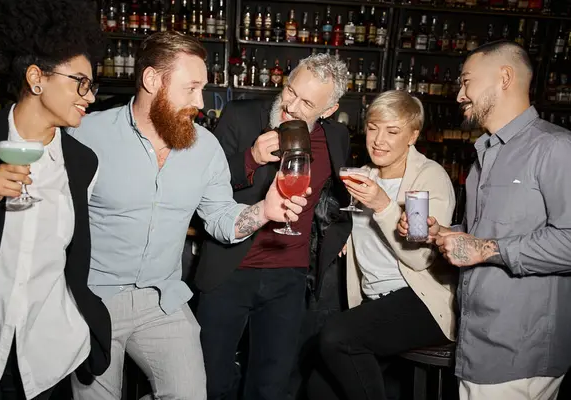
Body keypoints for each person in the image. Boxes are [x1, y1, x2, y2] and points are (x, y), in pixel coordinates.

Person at [67, 31, 308, 400]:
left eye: (203, 88)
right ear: (152, 80)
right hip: (93, 298)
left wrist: (265, 210)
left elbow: (222, 219)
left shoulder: (204, 147)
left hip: (163, 299)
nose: (200, 101)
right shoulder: (86, 135)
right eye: (191, 88)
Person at [398, 40, 571, 400]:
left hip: (520, 349)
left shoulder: (555, 147)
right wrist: (443, 233)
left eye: (466, 81)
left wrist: (486, 248)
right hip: (479, 341)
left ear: (504, 78)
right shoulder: (487, 152)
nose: (460, 94)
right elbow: (484, 236)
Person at [0, 0, 111, 399]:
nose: (90, 96)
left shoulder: (83, 163)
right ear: (37, 78)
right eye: (79, 82)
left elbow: (73, 257)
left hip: (46, 358)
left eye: (91, 85)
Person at [195, 53, 352, 400]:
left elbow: (338, 195)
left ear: (328, 109)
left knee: (271, 385)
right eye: (290, 91)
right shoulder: (240, 116)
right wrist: (250, 157)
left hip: (289, 277)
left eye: (307, 102)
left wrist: (341, 233)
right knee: (211, 381)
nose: (290, 106)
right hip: (230, 269)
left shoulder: (337, 137)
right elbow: (203, 186)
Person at [308, 90, 457, 400]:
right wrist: (341, 235)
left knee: (337, 337)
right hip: (375, 300)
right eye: (374, 127)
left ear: (413, 135)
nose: (378, 139)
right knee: (317, 387)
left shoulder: (428, 177)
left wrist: (383, 205)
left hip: (422, 301)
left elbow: (420, 258)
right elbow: (341, 220)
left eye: (392, 131)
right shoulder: (360, 177)